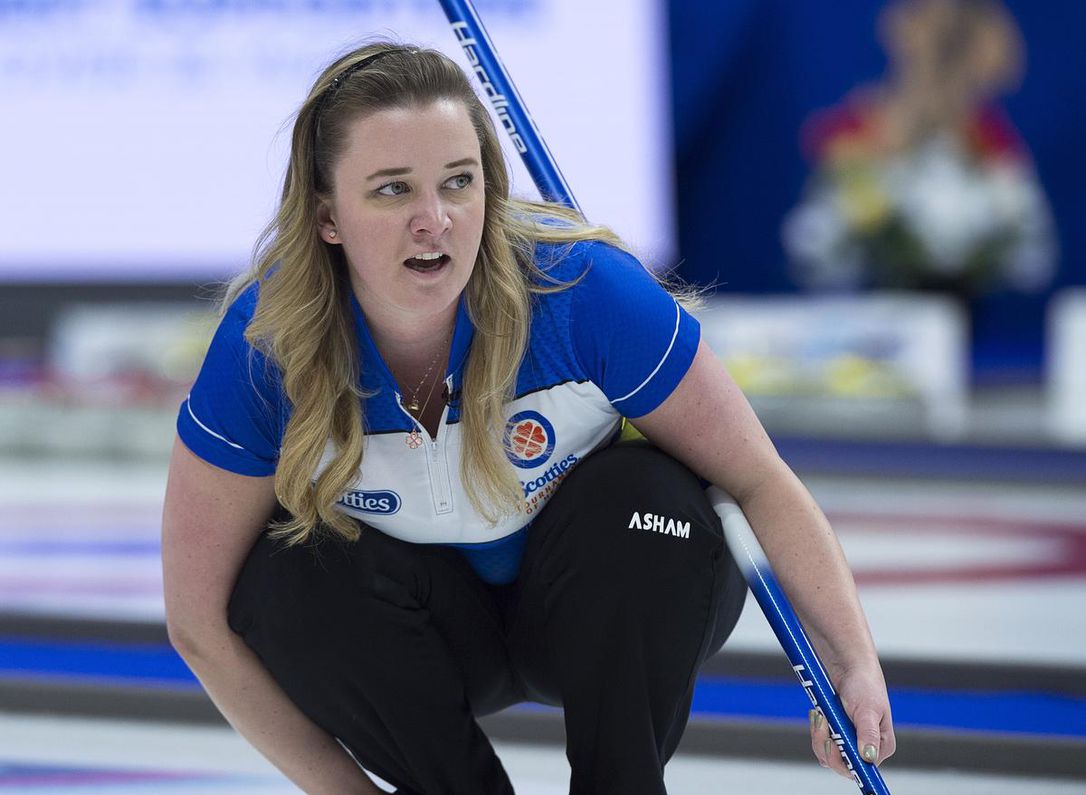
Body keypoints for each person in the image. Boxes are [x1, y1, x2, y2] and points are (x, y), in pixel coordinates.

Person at [162, 41, 895, 794]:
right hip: (425, 636)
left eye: (459, 181)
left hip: (593, 607)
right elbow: (198, 619)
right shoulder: (269, 344)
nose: (434, 220)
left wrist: (851, 663)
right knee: (284, 574)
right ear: (327, 217)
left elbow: (760, 480)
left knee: (651, 499)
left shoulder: (582, 290)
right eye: (391, 190)